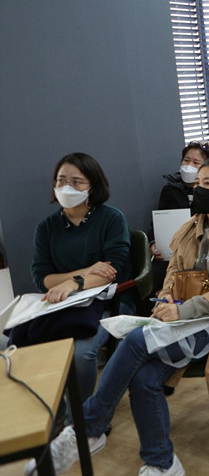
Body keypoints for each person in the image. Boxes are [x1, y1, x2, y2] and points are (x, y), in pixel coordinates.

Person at [32, 158, 209, 476]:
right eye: (197, 182)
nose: (199, 188)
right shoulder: (190, 227)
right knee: (143, 378)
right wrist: (167, 296)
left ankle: (88, 426)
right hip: (180, 320)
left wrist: (183, 309)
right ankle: (162, 462)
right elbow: (173, 272)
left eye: (208, 184)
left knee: (135, 340)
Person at [13, 152, 130, 407]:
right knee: (18, 342)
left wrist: (72, 283)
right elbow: (42, 278)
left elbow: (113, 271)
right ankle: (50, 410)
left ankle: (82, 417)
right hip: (60, 304)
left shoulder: (111, 218)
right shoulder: (46, 227)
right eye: (61, 180)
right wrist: (85, 272)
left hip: (107, 303)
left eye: (77, 182)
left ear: (92, 187)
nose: (67, 187)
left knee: (80, 354)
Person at [149, 141, 209, 292]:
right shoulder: (170, 189)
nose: (189, 166)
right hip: (172, 252)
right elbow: (157, 222)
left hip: (204, 252)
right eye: (186, 160)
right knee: (158, 277)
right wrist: (153, 243)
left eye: (196, 162)